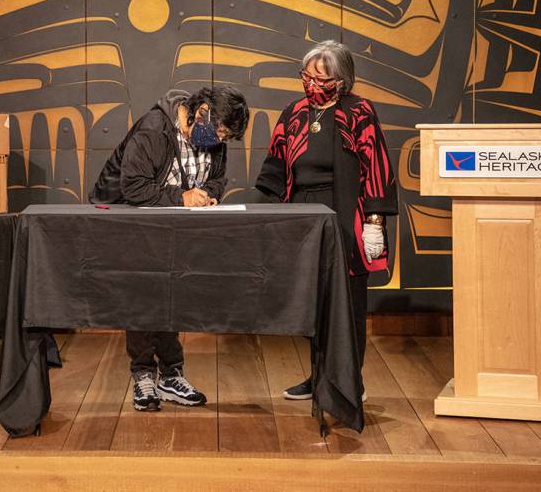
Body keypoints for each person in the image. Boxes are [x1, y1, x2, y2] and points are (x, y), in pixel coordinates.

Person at [90, 86, 251, 411]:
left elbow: (218, 178)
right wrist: (182, 197)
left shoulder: (213, 137)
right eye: (220, 131)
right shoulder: (154, 129)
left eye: (226, 136)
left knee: (171, 292)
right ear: (202, 111)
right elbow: (133, 186)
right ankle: (143, 375)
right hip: (130, 221)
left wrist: (208, 194)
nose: (221, 139)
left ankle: (171, 375)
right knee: (141, 295)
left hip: (172, 225)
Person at [256, 40, 397, 402]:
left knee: (347, 303)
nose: (312, 85)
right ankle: (318, 376)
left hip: (344, 213)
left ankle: (349, 382)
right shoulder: (294, 112)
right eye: (307, 77)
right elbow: (275, 167)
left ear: (341, 80)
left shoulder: (358, 112)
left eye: (321, 79)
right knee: (312, 300)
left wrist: (375, 222)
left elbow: (376, 165)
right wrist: (270, 216)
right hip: (303, 214)